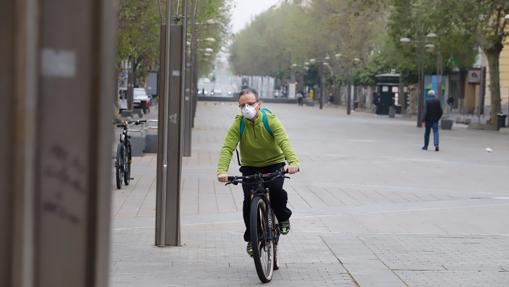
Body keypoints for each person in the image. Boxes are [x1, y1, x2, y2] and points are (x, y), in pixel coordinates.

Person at [216, 88, 300, 256]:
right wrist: (221, 170)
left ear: (259, 104)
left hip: (274, 164)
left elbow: (284, 141)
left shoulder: (270, 120)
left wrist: (293, 162)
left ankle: (283, 218)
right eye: (242, 105)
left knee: (276, 191)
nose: (246, 107)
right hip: (250, 166)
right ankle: (253, 239)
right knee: (249, 201)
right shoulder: (238, 123)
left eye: (250, 104)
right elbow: (228, 147)